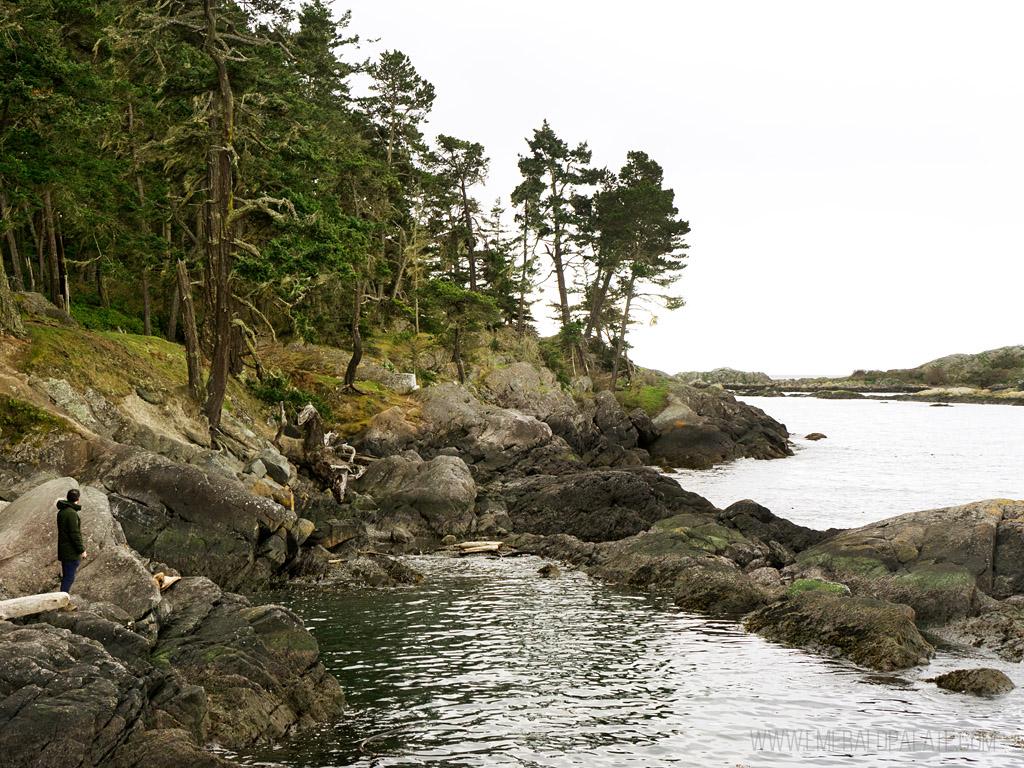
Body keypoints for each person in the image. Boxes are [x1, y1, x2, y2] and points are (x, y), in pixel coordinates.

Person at [56, 488, 86, 609]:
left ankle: (62, 601)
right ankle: (63, 604)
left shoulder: (62, 512)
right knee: (69, 577)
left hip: (64, 549)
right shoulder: (72, 514)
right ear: (78, 500)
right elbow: (75, 534)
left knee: (67, 576)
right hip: (71, 551)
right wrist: (81, 550)